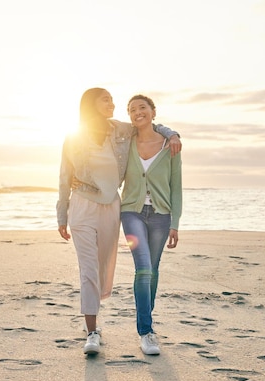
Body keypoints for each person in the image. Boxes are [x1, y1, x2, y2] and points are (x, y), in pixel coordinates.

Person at [56, 88, 181, 355]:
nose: (112, 104)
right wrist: (62, 214)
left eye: (113, 100)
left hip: (111, 206)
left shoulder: (121, 131)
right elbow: (64, 176)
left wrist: (172, 134)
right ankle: (92, 332)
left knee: (104, 268)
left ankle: (107, 324)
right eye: (106, 100)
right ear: (91, 105)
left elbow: (147, 123)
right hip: (82, 205)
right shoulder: (73, 137)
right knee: (88, 270)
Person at [120, 94, 183, 356]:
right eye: (132, 110)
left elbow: (175, 187)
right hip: (131, 212)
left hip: (161, 216)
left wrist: (175, 223)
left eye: (142, 107)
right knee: (143, 269)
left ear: (153, 112)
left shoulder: (170, 146)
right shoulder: (125, 143)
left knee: (153, 271)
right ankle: (146, 332)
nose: (137, 112)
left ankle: (148, 324)